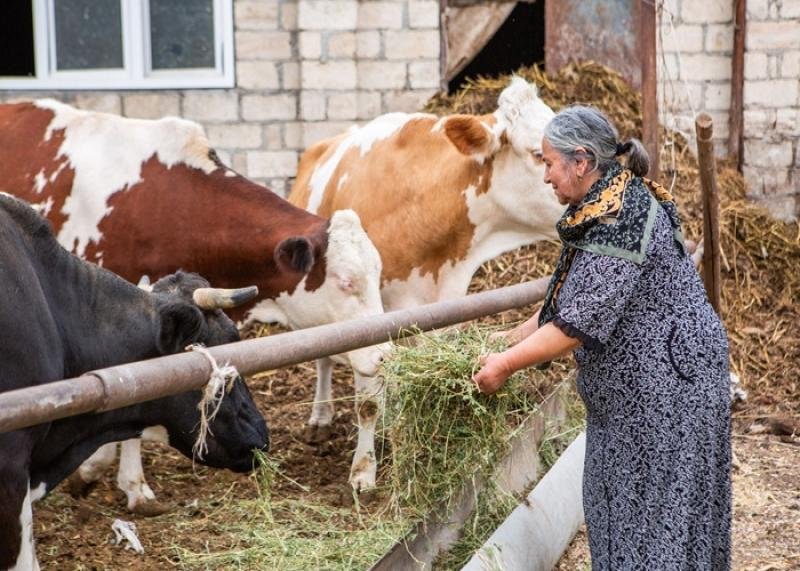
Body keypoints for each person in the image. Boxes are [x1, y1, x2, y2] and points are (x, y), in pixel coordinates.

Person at [473, 106, 731, 570]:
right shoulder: (604, 202)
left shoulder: (621, 218)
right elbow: (565, 305)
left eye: (549, 162)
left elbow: (576, 325)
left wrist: (505, 366)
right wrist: (506, 340)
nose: (546, 175)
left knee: (655, 517)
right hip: (642, 394)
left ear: (582, 161)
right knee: (621, 505)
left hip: (669, 391)